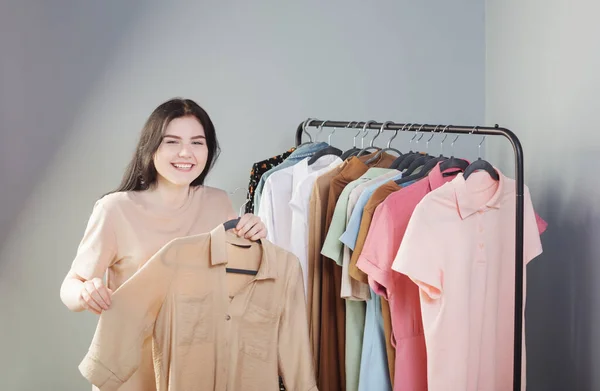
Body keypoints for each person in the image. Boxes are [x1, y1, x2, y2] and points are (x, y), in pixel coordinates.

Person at [59, 97, 267, 390]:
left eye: (197, 142)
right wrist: (85, 291)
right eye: (172, 142)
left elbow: (238, 285)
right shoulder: (115, 209)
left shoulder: (218, 203)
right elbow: (69, 286)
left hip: (198, 369)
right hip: (131, 370)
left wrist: (253, 236)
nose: (186, 152)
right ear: (151, 147)